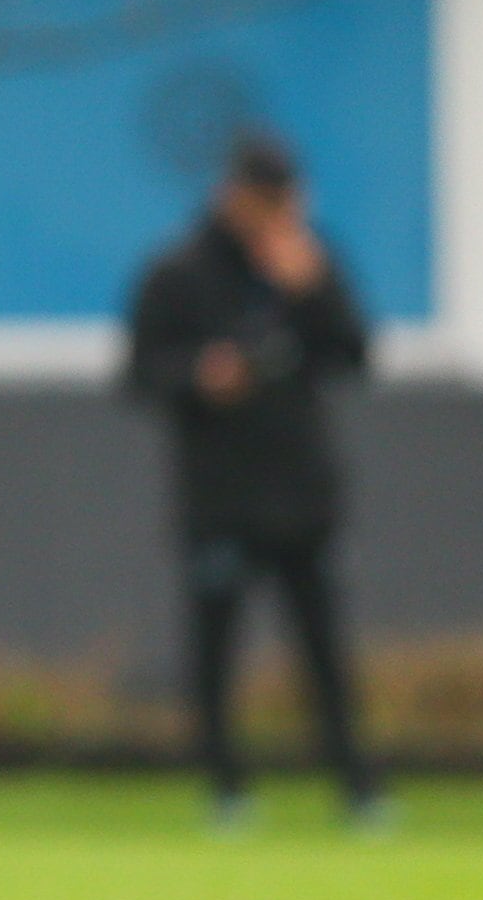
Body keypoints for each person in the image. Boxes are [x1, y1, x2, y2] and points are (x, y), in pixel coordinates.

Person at [121, 131, 385, 827]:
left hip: (303, 494)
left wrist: (315, 289)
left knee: (325, 648)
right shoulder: (178, 272)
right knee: (216, 645)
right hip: (221, 497)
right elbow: (139, 373)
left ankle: (356, 786)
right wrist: (200, 377)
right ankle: (226, 785)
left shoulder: (309, 265)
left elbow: (354, 355)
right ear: (230, 195)